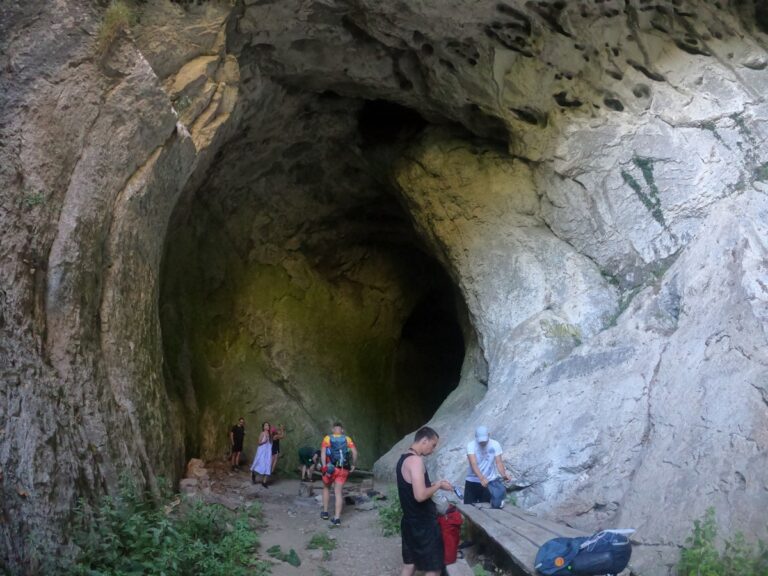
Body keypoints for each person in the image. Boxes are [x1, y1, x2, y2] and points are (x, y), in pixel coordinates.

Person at [397, 426, 453, 576]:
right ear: (424, 440)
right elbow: (420, 495)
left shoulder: (404, 459)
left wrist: (435, 484)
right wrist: (439, 485)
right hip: (423, 524)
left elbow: (414, 487)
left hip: (409, 521)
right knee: (434, 568)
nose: (433, 449)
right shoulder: (416, 461)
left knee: (410, 565)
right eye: (433, 445)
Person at [320, 422, 358, 526]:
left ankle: (325, 512)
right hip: (343, 469)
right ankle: (337, 519)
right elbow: (354, 452)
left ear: (333, 429)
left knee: (326, 487)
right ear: (342, 430)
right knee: (338, 493)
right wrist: (353, 465)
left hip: (331, 468)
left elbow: (323, 453)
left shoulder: (328, 438)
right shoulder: (347, 439)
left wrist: (324, 466)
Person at [463, 425, 510, 508]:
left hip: (489, 482)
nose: (482, 443)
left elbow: (498, 462)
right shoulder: (471, 445)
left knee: (487, 508)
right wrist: (481, 478)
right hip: (472, 480)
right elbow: (473, 464)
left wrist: (504, 474)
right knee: (469, 508)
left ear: (489, 435)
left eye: (484, 440)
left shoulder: (495, 444)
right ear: (476, 437)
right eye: (480, 441)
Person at [250, 422, 272, 487]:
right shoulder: (262, 433)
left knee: (267, 465)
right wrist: (264, 442)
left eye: (268, 425)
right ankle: (254, 474)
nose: (267, 426)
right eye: (266, 425)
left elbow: (271, 443)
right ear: (263, 427)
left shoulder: (270, 434)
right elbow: (259, 443)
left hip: (268, 452)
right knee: (260, 464)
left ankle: (264, 482)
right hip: (262, 451)